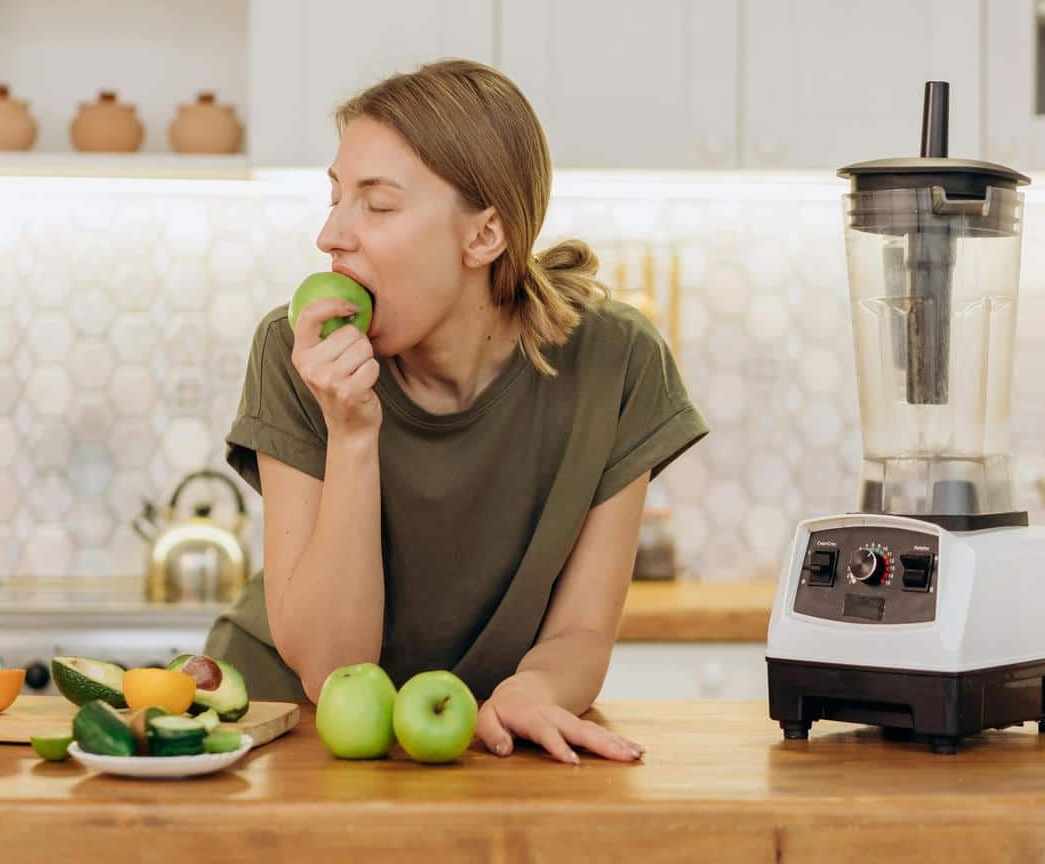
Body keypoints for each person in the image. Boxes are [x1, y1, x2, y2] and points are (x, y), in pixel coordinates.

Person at [205, 59, 707, 764]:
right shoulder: (296, 352)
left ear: (484, 236)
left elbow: (582, 634)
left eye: (376, 205)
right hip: (285, 735)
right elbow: (330, 668)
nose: (331, 236)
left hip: (482, 745)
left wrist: (535, 691)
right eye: (336, 198)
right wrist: (351, 435)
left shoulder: (615, 363)